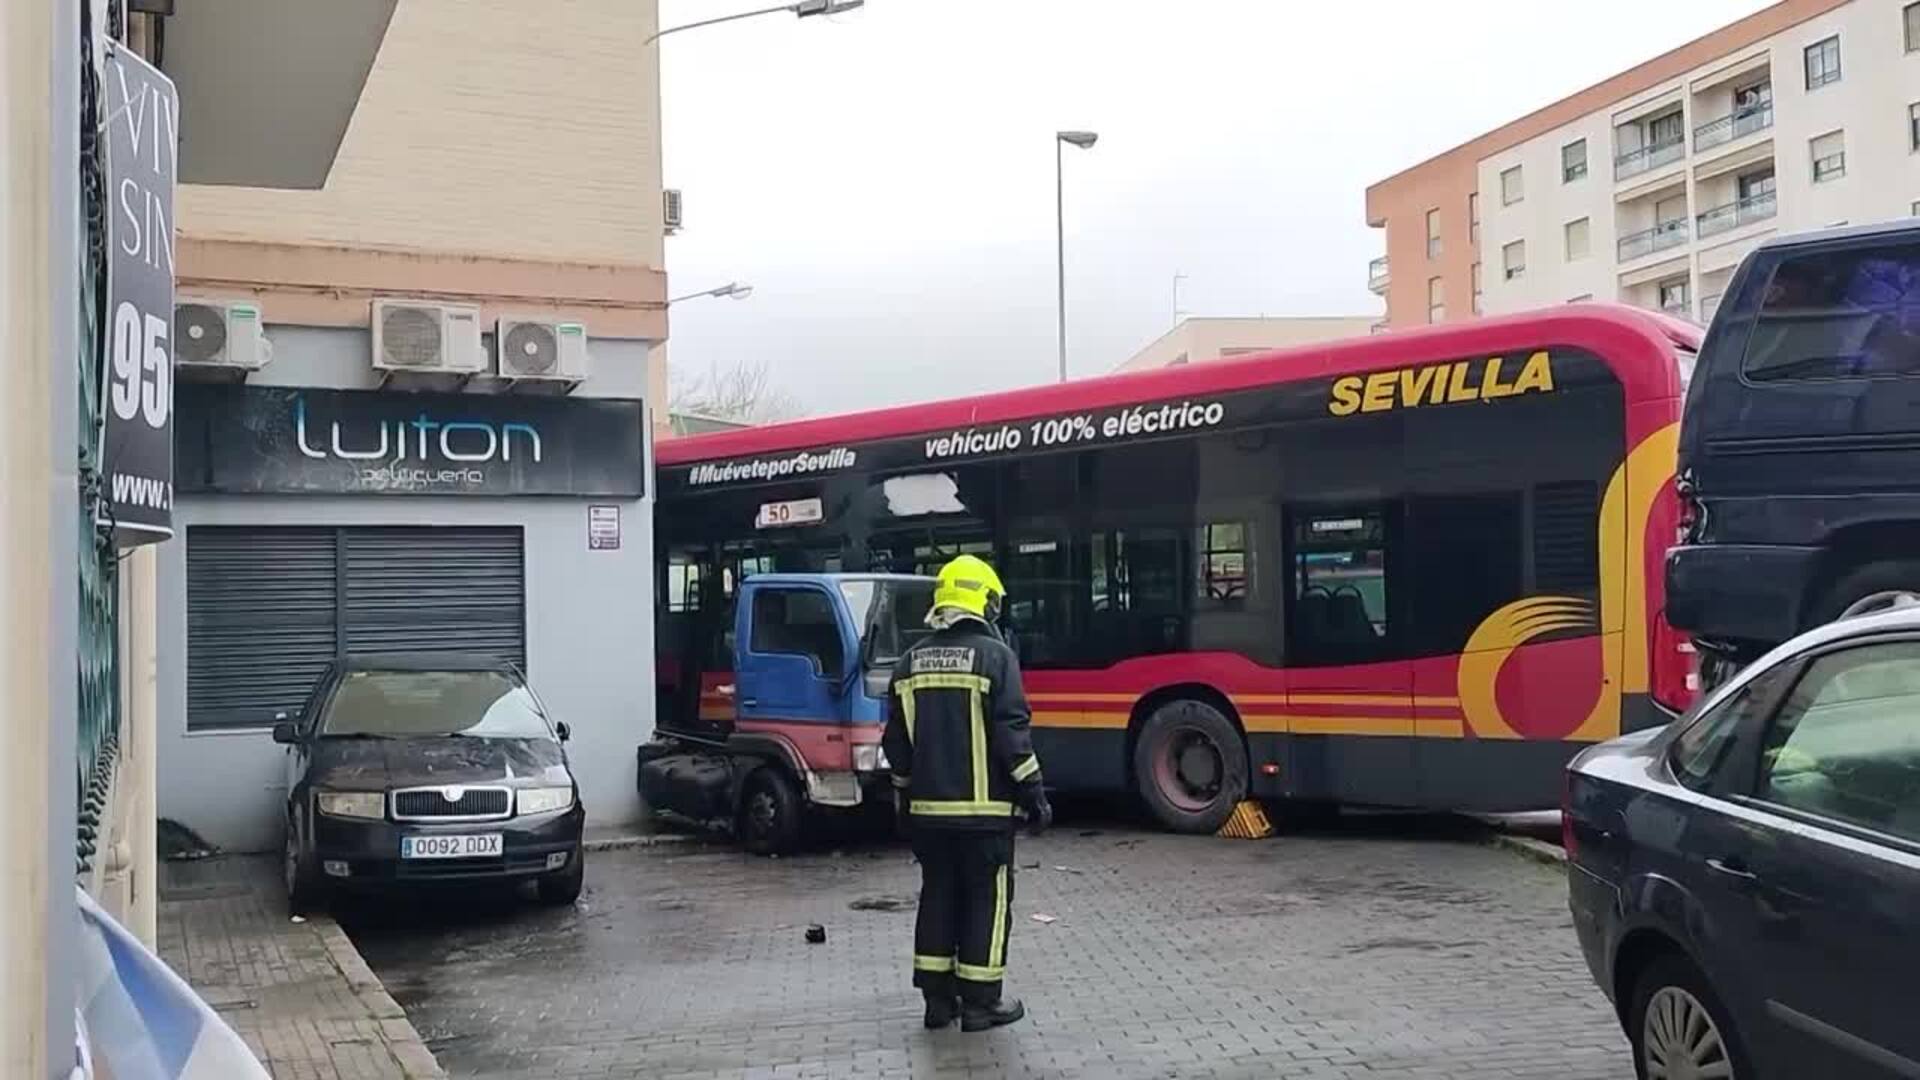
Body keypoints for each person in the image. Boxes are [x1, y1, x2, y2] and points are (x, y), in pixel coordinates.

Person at [881, 554, 1052, 1033]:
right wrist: (1034, 794)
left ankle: (938, 1003)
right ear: (983, 601)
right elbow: (1012, 735)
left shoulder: (909, 661)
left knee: (937, 896)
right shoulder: (997, 657)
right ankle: (980, 1004)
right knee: (985, 901)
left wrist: (902, 799)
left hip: (927, 815)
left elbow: (896, 744)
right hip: (985, 816)